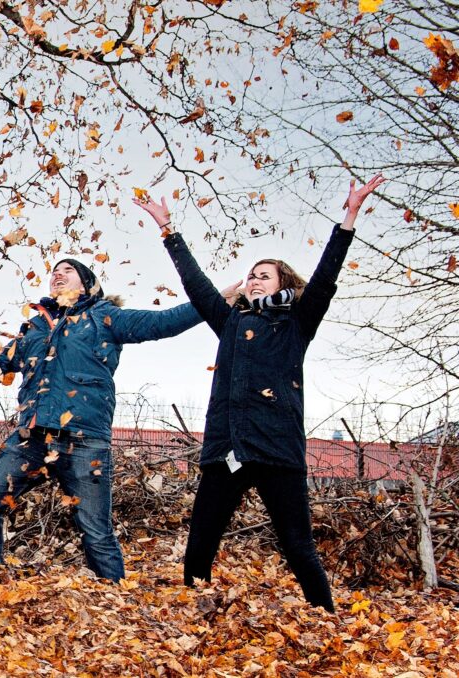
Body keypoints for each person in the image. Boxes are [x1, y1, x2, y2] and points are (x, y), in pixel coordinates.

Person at [136, 175, 384, 611]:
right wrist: (168, 230)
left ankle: (326, 617)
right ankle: (196, 618)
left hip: (276, 450)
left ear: (282, 283)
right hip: (227, 446)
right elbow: (198, 286)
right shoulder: (230, 322)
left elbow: (326, 276)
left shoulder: (296, 323)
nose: (252, 280)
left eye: (263, 276)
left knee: (297, 544)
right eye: (250, 275)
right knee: (201, 541)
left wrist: (350, 215)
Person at [0, 259, 203, 580]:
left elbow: (163, 322)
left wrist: (209, 303)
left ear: (87, 284)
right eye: (54, 272)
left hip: (83, 440)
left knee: (96, 532)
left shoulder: (104, 317)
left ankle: (114, 595)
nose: (57, 274)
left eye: (67, 271)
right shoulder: (35, 327)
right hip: (31, 439)